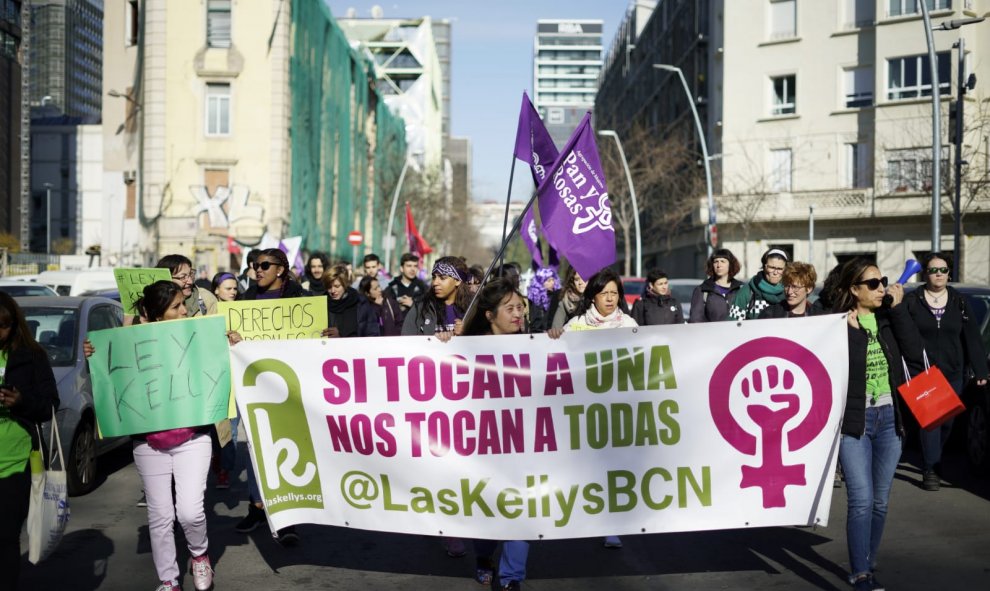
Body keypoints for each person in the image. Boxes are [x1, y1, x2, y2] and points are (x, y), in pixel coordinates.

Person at [95, 280, 238, 591]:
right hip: (149, 443)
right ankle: (168, 580)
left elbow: (227, 370)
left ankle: (199, 556)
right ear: (158, 316)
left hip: (193, 438)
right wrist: (95, 354)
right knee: (160, 517)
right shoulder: (130, 342)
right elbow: (109, 378)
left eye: (182, 304)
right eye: (176, 307)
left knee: (190, 511)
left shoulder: (201, 336)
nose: (184, 310)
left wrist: (233, 345)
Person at [832, 258, 924, 591]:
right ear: (853, 290)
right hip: (855, 422)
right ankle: (860, 574)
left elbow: (915, 354)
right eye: (872, 283)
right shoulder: (839, 324)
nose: (881, 287)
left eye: (881, 280)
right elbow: (841, 374)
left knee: (881, 501)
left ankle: (868, 562)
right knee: (861, 500)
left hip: (890, 420)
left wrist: (898, 312)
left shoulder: (888, 319)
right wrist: (855, 336)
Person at [461, 278, 551, 590]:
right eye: (510, 308)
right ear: (489, 314)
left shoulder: (535, 345)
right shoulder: (466, 347)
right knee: (487, 512)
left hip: (523, 445)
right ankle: (484, 556)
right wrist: (444, 341)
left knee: (522, 510)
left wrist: (559, 341)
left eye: (521, 308)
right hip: (482, 447)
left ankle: (512, 578)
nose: (518, 314)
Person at [552, 268, 636, 550]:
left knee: (612, 467)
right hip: (583, 409)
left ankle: (611, 525)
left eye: (615, 293)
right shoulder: (576, 325)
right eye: (604, 293)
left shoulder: (629, 324)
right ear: (593, 297)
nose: (610, 299)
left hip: (617, 407)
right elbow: (558, 359)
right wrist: (553, 337)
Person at [234, 248, 306, 544]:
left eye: (264, 265)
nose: (257, 269)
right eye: (254, 265)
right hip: (253, 386)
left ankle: (287, 514)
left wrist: (329, 336)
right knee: (254, 445)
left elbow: (313, 339)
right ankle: (257, 505)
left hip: (288, 387)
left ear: (281, 269)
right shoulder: (245, 301)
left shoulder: (300, 301)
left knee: (286, 447)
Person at [903, 253, 989, 491]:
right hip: (923, 370)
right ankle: (931, 469)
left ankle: (934, 457)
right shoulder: (914, 300)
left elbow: (972, 335)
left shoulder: (958, 301)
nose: (938, 274)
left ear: (949, 273)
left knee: (947, 423)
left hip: (954, 370)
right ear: (925, 274)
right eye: (932, 270)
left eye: (942, 270)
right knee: (931, 421)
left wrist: (980, 369)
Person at [0, 292, 58, 591]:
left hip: (16, 463)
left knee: (6, 538)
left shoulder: (31, 356)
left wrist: (21, 401)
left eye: (4, 325)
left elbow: (49, 406)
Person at [401, 256, 472, 337]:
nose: (435, 283)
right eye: (434, 277)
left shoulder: (473, 309)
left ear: (458, 281)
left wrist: (467, 332)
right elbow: (407, 342)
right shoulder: (420, 308)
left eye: (442, 278)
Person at [729, 248, 788, 320]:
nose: (775, 272)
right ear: (764, 267)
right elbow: (733, 324)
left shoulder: (789, 292)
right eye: (772, 267)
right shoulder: (747, 292)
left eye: (779, 269)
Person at [322, 265, 378, 338]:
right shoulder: (321, 304)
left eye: (337, 286)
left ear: (344, 285)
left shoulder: (361, 303)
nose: (333, 291)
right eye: (329, 287)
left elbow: (372, 334)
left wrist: (341, 337)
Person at [690, 248, 743, 322]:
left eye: (723, 261)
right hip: (712, 333)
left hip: (738, 333)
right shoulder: (702, 290)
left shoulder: (741, 289)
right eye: (716, 262)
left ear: (730, 264)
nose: (719, 265)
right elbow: (695, 320)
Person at [525, 266, 559, 333]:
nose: (552, 283)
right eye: (549, 280)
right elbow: (534, 321)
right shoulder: (534, 298)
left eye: (553, 280)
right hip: (538, 335)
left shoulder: (556, 296)